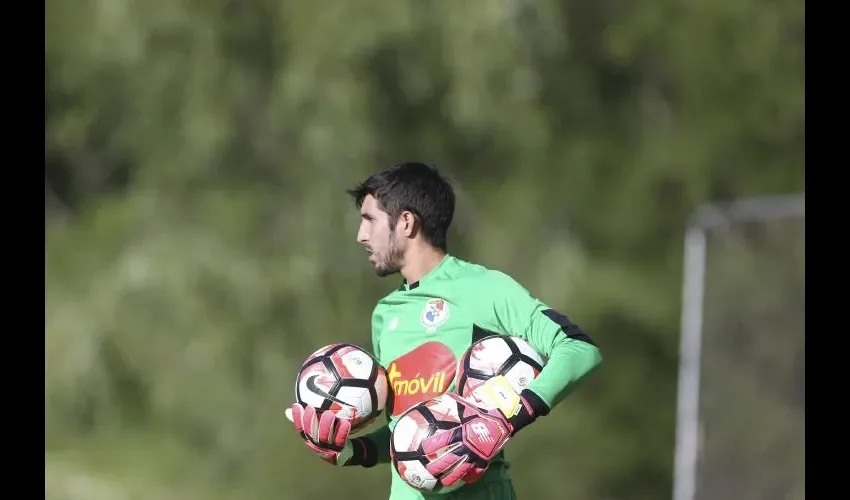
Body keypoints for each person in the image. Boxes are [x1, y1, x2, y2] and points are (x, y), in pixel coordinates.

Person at [286, 162, 602, 500]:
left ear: (406, 222)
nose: (361, 235)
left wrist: (508, 418)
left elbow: (579, 349)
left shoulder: (483, 288)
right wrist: (351, 450)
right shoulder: (385, 314)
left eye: (370, 220)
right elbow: (410, 437)